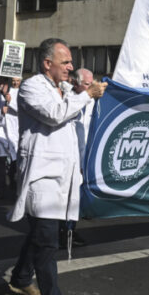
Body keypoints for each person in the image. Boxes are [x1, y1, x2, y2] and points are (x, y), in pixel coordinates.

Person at [8, 38, 106, 295]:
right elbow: (54, 114)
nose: (70, 67)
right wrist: (85, 95)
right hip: (42, 177)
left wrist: (87, 93)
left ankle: (20, 277)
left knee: (41, 235)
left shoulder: (65, 88)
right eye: (65, 62)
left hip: (63, 176)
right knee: (48, 241)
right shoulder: (31, 87)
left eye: (71, 61)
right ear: (47, 63)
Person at [60, 68, 96, 247]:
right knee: (67, 197)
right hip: (70, 155)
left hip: (86, 154)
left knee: (76, 198)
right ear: (76, 83)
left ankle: (70, 230)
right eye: (88, 84)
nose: (92, 88)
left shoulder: (93, 100)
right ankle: (63, 232)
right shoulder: (67, 97)